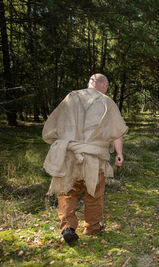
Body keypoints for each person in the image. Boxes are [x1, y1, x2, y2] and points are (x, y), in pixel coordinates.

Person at [42, 74, 128, 243]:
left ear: (89, 83)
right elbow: (117, 133)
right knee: (94, 194)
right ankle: (92, 227)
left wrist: (61, 142)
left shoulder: (71, 97)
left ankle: (68, 227)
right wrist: (119, 154)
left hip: (69, 155)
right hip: (94, 158)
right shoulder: (107, 102)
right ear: (104, 86)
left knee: (67, 192)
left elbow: (52, 125)